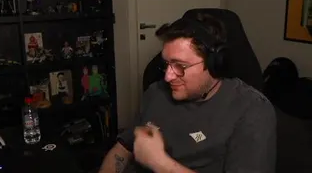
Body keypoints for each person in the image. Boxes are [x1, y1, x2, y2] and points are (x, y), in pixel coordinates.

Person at [96, 12, 275, 173]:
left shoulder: (252, 110)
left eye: (180, 66)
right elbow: (123, 149)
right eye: (166, 64)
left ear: (214, 64)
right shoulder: (156, 92)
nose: (168, 77)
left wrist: (160, 163)